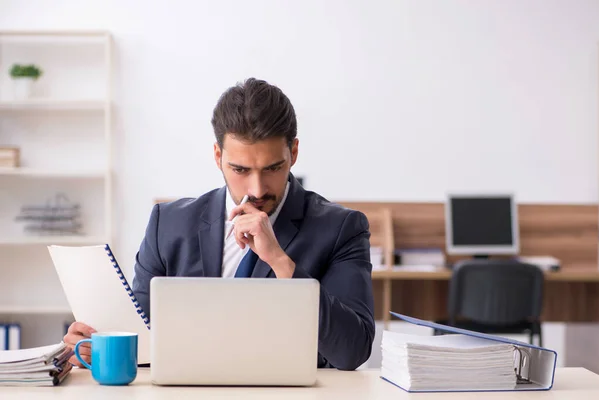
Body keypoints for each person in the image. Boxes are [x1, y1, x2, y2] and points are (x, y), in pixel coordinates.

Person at [64, 78, 375, 371]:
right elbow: (142, 342)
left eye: (272, 168)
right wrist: (96, 346)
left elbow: (352, 352)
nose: (256, 189)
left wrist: (281, 263)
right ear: (217, 156)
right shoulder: (168, 225)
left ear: (293, 152)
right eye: (240, 169)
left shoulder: (341, 229)